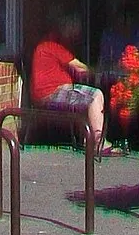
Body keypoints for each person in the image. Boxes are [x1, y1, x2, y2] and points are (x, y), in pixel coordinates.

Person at [28, 16, 107, 147]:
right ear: (66, 28)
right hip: (52, 93)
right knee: (95, 95)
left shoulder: (46, 44)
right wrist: (98, 71)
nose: (77, 34)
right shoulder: (54, 44)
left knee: (85, 97)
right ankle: (99, 143)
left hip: (49, 92)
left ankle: (88, 139)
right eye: (75, 30)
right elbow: (80, 68)